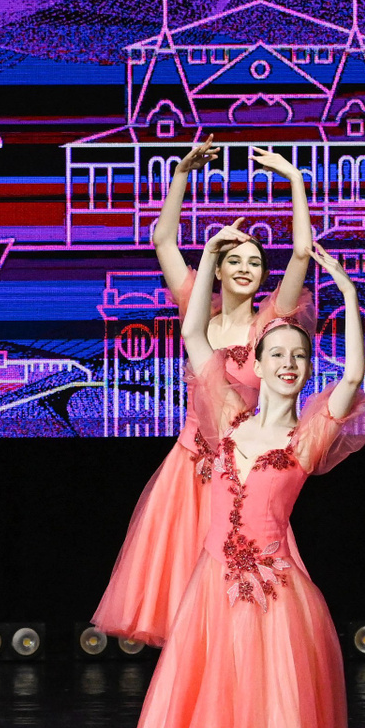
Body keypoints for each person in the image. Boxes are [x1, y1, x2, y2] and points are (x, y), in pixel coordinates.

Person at [128, 232, 365, 728]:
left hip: (274, 607)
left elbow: (353, 374)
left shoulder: (308, 438)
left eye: (299, 357)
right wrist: (205, 262)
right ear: (256, 365)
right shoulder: (226, 422)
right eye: (277, 355)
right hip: (214, 604)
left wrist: (348, 297)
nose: (289, 365)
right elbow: (195, 336)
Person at [94, 138, 315, 647]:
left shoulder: (268, 324)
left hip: (242, 472)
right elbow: (162, 240)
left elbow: (302, 253)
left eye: (255, 262)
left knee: (243, 597)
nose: (245, 268)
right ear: (216, 267)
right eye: (234, 259)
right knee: (181, 602)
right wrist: (180, 176)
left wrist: (296, 182)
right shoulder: (198, 310)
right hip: (188, 469)